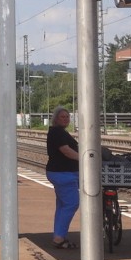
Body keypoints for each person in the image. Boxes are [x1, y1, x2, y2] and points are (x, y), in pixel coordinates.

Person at [45, 106, 80, 249]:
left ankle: (59, 235)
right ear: (56, 119)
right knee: (72, 203)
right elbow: (66, 151)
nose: (65, 119)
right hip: (63, 173)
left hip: (61, 172)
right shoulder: (57, 133)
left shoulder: (58, 132)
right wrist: (85, 159)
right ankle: (59, 237)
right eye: (62, 117)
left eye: (67, 116)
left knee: (62, 205)